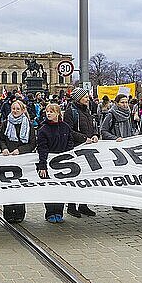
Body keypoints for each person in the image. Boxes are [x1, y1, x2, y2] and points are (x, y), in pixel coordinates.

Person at [0, 99, 36, 223]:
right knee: (8, 186)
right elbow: (1, 139)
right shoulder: (5, 123)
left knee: (20, 186)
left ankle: (20, 212)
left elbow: (32, 143)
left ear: (23, 110)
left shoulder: (28, 124)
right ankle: (8, 212)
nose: (15, 111)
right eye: (13, 109)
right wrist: (4, 148)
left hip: (22, 160)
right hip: (8, 159)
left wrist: (20, 150)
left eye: (17, 109)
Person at [63, 87, 98, 218]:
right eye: (85, 97)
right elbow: (69, 130)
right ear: (78, 98)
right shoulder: (70, 112)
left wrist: (95, 134)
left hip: (88, 148)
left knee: (86, 179)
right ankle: (72, 206)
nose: (88, 99)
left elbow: (92, 127)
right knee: (75, 179)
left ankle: (83, 205)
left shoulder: (87, 111)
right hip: (76, 148)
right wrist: (84, 138)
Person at [37, 103, 73, 223]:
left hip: (62, 163)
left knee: (60, 188)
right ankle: (50, 213)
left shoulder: (65, 127)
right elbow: (42, 148)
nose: (48, 114)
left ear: (58, 113)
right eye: (47, 111)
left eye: (51, 111)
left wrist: (66, 156)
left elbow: (70, 142)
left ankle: (59, 212)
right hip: (49, 162)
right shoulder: (43, 129)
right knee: (49, 189)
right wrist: (43, 165)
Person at [100, 94, 135, 213]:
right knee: (118, 177)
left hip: (128, 148)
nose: (125, 105)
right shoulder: (111, 114)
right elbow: (103, 131)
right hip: (116, 150)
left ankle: (128, 201)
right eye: (122, 102)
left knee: (128, 177)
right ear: (116, 103)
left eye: (126, 102)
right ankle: (117, 202)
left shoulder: (128, 114)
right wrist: (114, 138)